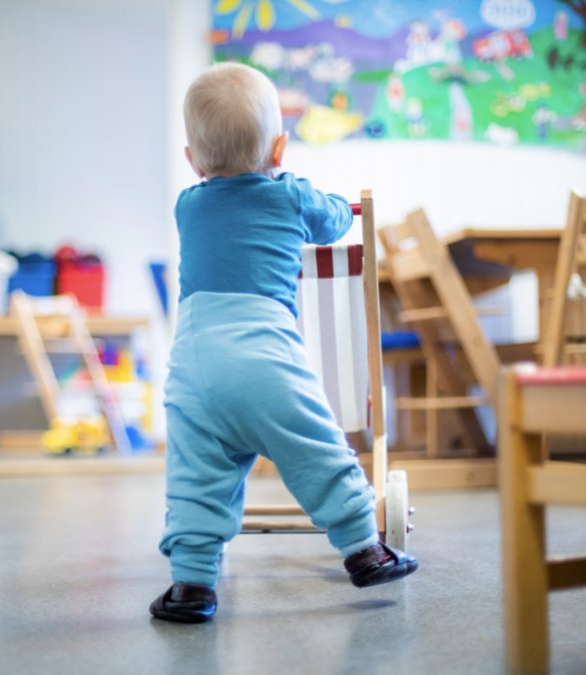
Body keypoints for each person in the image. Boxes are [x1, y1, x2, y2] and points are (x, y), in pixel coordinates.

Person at [149, 63, 418, 625]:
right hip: (264, 360)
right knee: (316, 449)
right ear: (280, 149)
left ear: (192, 159)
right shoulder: (290, 196)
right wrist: (343, 205)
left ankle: (192, 586)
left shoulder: (187, 206)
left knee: (197, 477)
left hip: (192, 368)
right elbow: (334, 221)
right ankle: (364, 549)